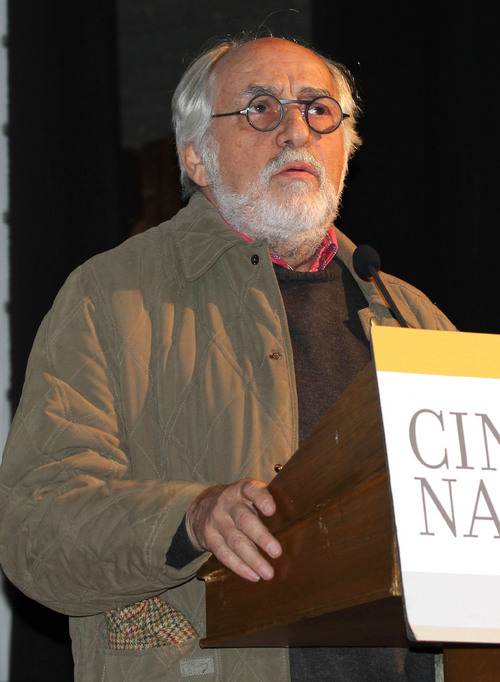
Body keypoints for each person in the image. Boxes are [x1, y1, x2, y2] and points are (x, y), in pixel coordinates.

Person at [0, 34, 454, 681]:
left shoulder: (411, 314)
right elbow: (35, 530)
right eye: (260, 109)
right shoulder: (111, 297)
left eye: (319, 109)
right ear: (196, 156)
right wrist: (189, 518)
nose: (297, 131)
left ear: (346, 147)